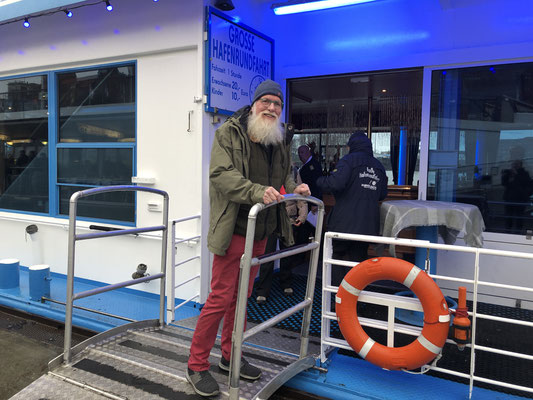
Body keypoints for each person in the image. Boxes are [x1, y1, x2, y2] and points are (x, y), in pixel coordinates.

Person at [186, 79, 311, 397]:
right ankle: (196, 364)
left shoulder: (278, 138)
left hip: (262, 231)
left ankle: (231, 357)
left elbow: (281, 175)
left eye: (277, 104)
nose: (271, 108)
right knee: (220, 298)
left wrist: (293, 190)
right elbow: (221, 175)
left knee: (241, 299)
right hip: (236, 229)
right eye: (266, 101)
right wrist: (257, 192)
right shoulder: (230, 131)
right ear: (255, 103)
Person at [316, 131, 388, 286]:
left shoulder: (348, 161)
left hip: (344, 223)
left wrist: (319, 181)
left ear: (352, 146)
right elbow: (382, 194)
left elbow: (336, 183)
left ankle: (338, 298)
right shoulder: (379, 167)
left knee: (338, 258)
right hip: (367, 225)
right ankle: (354, 297)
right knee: (358, 262)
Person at [255, 177, 308, 304]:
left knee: (287, 254)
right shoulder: (268, 172)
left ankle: (286, 283)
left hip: (288, 219)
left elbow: (301, 197)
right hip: (270, 220)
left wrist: (302, 216)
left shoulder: (292, 175)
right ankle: (262, 291)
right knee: (267, 255)